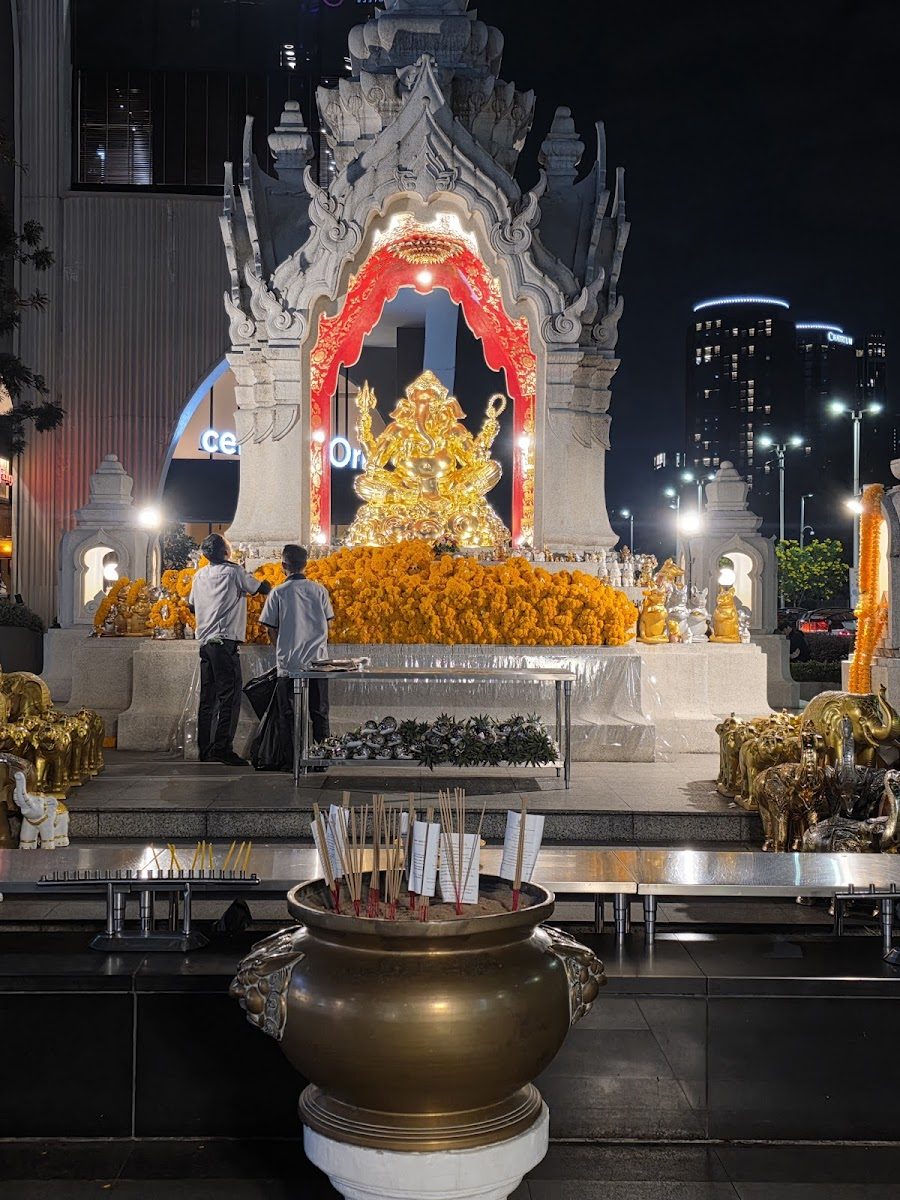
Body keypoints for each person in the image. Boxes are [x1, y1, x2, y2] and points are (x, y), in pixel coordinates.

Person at [188, 533, 271, 765]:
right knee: (229, 697)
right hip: (224, 642)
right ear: (226, 553)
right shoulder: (235, 572)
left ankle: (205, 749)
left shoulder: (199, 575)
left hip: (205, 642)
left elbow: (192, 605)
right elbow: (261, 588)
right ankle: (223, 748)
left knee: (207, 698)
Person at [260, 543, 334, 749]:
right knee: (319, 712)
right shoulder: (319, 590)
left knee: (289, 714)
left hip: (289, 662)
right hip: (318, 662)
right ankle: (322, 756)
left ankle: (291, 759)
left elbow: (270, 628)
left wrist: (281, 647)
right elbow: (329, 623)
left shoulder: (277, 592)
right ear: (306, 564)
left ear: (283, 564)